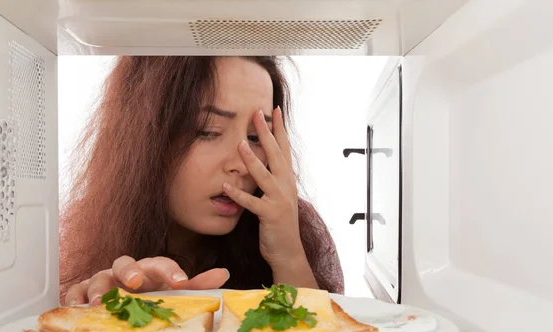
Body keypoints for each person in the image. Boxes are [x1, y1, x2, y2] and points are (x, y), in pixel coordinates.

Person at [60, 56, 344, 306]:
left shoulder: (296, 225)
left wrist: (289, 256)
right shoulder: (67, 241)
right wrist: (106, 307)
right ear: (144, 137)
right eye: (208, 131)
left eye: (257, 137)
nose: (241, 166)